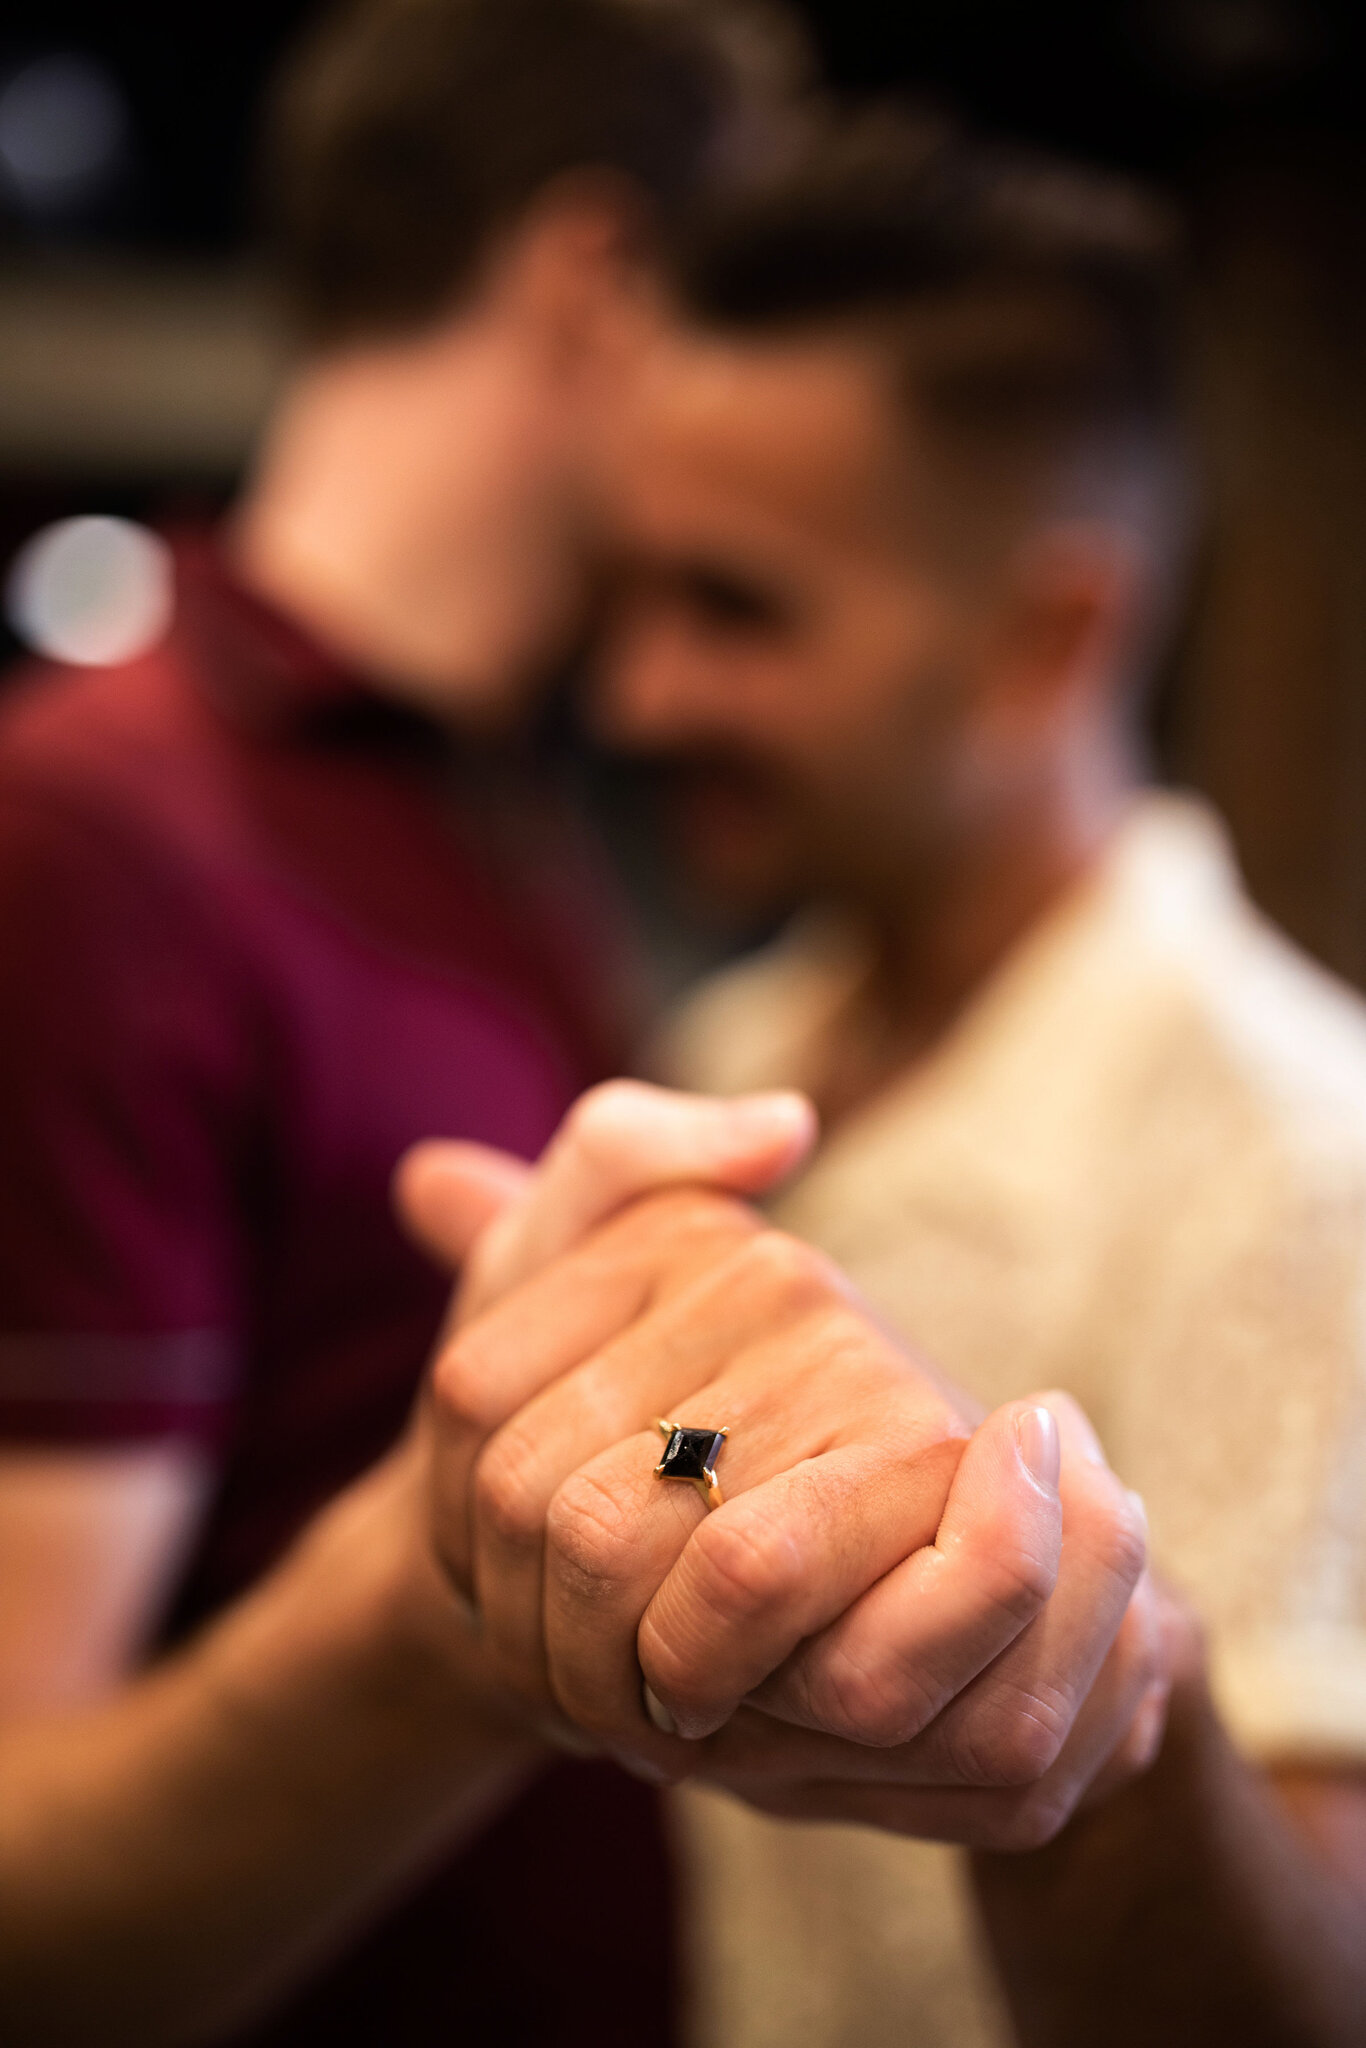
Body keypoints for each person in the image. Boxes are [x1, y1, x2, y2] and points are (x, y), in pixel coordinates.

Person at [0, 0, 813, 2037]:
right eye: (752, 322)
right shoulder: (95, 828)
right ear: (598, 282)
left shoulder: (494, 809)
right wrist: (458, 1609)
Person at [588, 113, 1366, 2045]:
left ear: (1045, 638)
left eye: (737, 609)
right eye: (636, 591)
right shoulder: (732, 1052)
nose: (635, 693)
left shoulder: (1303, 1164)